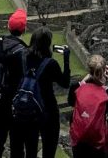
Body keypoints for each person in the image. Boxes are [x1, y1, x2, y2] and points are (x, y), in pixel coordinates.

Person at [20, 26, 72, 158]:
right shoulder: (51, 64)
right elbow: (65, 83)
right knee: (49, 150)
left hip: (28, 108)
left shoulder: (24, 57)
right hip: (47, 109)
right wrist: (66, 59)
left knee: (30, 150)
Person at [68, 54, 108, 158]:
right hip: (99, 144)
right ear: (105, 71)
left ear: (89, 70)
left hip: (79, 141)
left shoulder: (76, 89)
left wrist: (83, 81)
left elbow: (70, 101)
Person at [0, 8, 29, 158]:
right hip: (15, 103)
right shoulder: (24, 52)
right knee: (17, 144)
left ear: (8, 26)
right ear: (24, 29)